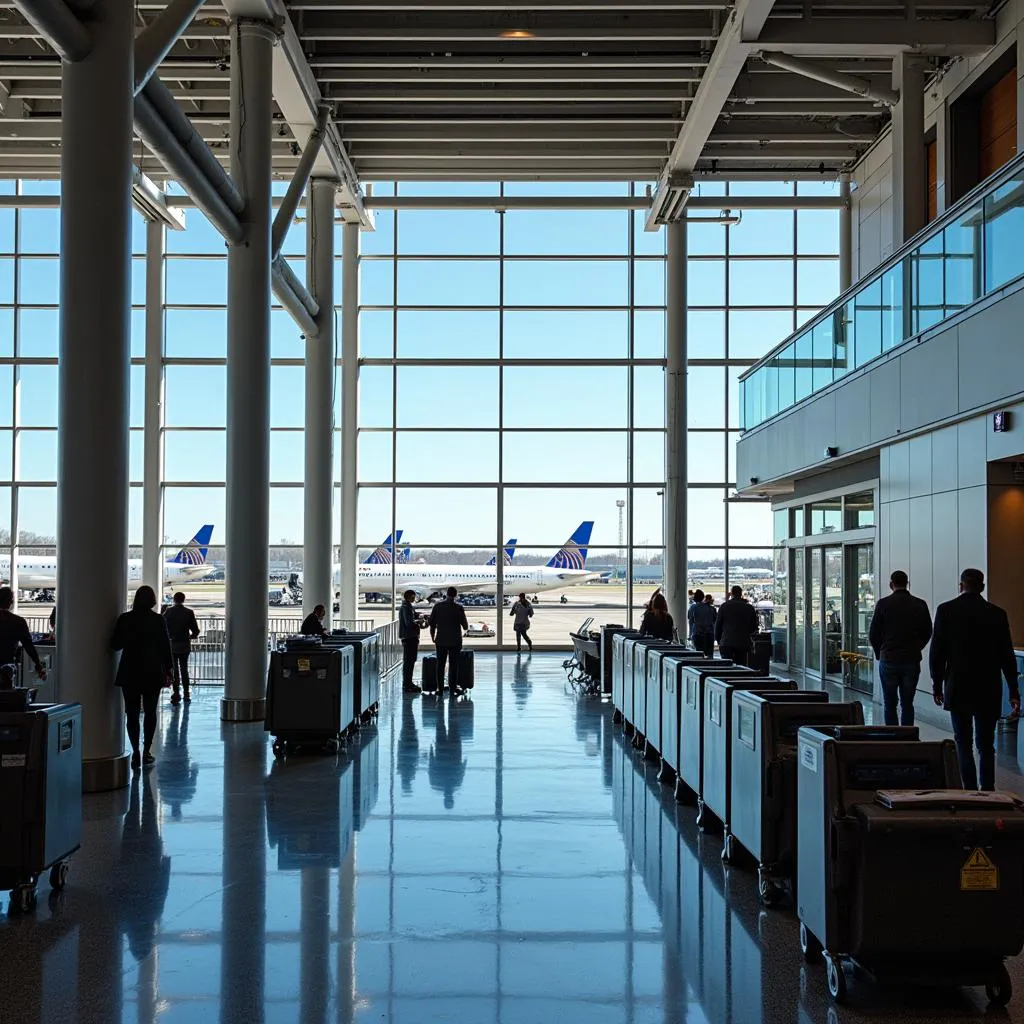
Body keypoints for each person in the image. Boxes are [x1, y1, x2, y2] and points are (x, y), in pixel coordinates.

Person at [930, 568, 1020, 791]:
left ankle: (969, 789)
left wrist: (937, 684)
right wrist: (1014, 691)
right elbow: (1007, 656)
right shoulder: (997, 614)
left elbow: (937, 652)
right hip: (988, 687)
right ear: (982, 587)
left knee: (963, 741)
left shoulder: (946, 610)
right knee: (986, 744)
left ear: (961, 586)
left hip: (958, 684)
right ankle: (987, 789)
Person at [112, 585, 172, 771]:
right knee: (151, 712)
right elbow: (165, 646)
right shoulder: (158, 620)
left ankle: (135, 750)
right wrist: (169, 670)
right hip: (152, 671)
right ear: (153, 600)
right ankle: (147, 750)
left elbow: (115, 644)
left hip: (129, 671)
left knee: (131, 713)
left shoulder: (125, 619)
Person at [868, 570, 933, 727]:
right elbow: (928, 631)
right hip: (911, 659)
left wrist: (879, 653)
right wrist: (918, 647)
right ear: (907, 584)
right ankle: (908, 737)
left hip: (889, 658)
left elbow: (873, 634)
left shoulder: (883, 604)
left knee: (889, 702)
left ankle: (893, 736)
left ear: (891, 584)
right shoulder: (920, 604)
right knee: (907, 703)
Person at [428, 586, 469, 697]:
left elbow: (431, 623)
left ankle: (440, 689)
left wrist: (433, 637)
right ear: (456, 595)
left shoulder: (438, 606)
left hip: (441, 640)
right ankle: (452, 688)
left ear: (446, 594)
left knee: (440, 665)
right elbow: (465, 626)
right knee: (454, 665)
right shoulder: (459, 608)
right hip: (455, 641)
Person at [0, 586, 46, 682]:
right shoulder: (18, 621)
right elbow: (28, 646)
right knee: (7, 693)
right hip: (7, 667)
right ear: (10, 602)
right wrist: (38, 665)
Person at [162, 591, 200, 705]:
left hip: (172, 645)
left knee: (175, 670)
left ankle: (176, 693)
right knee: (184, 669)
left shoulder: (168, 611)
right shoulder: (189, 612)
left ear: (174, 599)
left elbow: (162, 626)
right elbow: (195, 630)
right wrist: (191, 636)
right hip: (184, 645)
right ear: (183, 600)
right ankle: (187, 693)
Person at [715, 585, 759, 666]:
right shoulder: (749, 608)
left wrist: (719, 640)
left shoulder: (724, 606)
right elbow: (753, 628)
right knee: (741, 667)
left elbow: (718, 626)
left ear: (732, 594)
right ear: (741, 593)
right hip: (743, 643)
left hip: (726, 642)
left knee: (727, 667)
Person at [398, 590, 423, 694]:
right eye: (413, 596)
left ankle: (408, 683)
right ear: (409, 596)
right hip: (409, 637)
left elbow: (412, 617)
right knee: (409, 662)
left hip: (409, 637)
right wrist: (419, 622)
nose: (414, 598)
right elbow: (409, 623)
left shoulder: (408, 606)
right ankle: (407, 684)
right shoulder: (406, 608)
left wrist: (418, 616)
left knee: (410, 661)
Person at [687, 588, 716, 658]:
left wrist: (690, 635)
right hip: (709, 634)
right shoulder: (711, 608)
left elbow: (691, 621)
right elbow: (714, 621)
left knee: (699, 656)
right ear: (703, 597)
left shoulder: (693, 607)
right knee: (709, 656)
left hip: (698, 634)